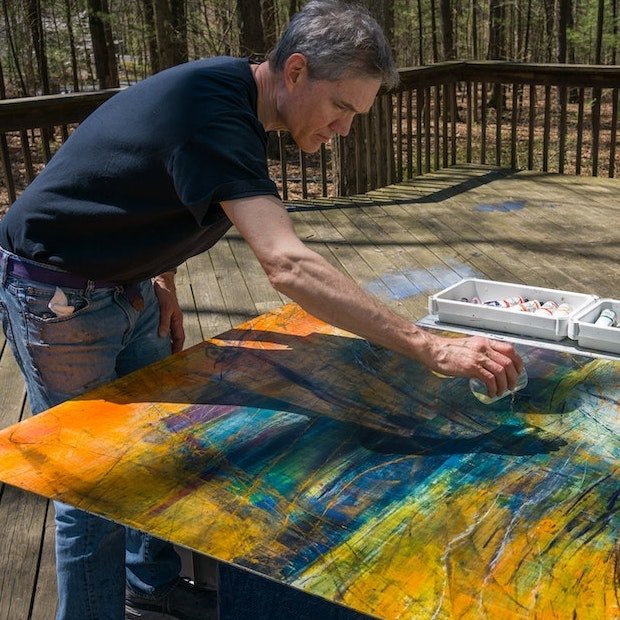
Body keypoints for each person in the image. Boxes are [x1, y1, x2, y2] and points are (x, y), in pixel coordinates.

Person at [0, 1, 523, 618]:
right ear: (295, 71)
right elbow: (288, 264)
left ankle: (151, 587)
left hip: (129, 285)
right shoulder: (212, 113)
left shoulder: (234, 92)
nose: (345, 130)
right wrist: (431, 347)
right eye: (342, 108)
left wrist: (160, 275)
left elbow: (149, 182)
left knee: (152, 453)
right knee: (89, 483)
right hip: (59, 295)